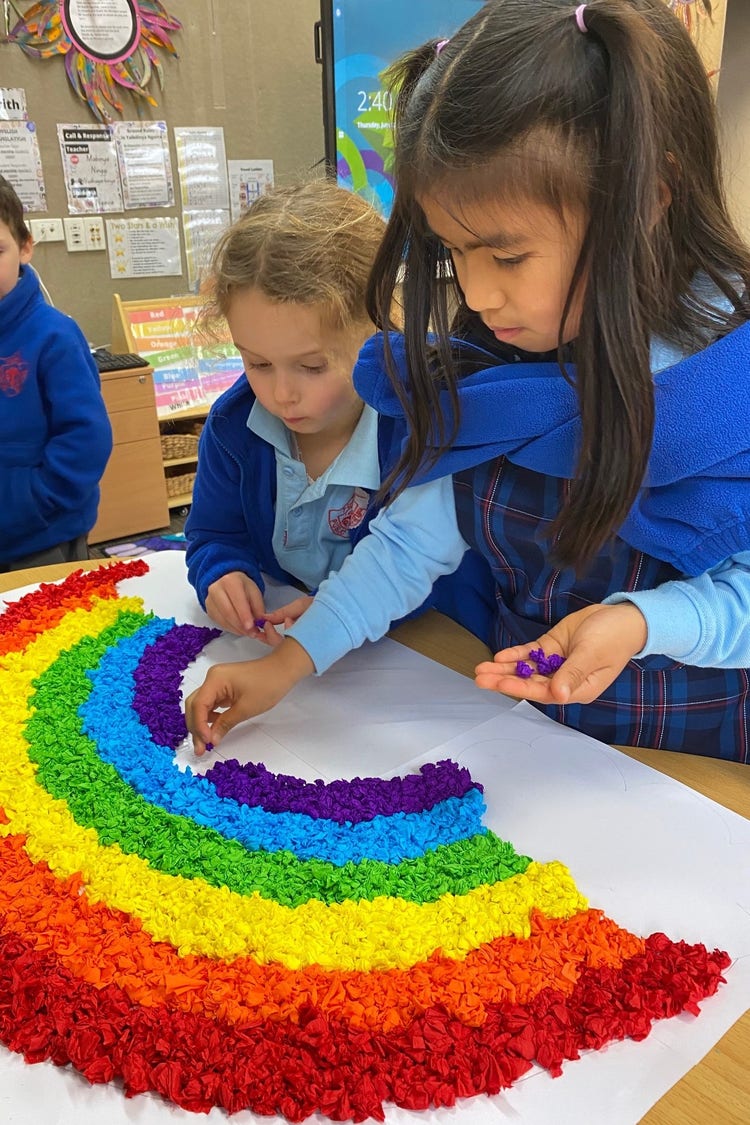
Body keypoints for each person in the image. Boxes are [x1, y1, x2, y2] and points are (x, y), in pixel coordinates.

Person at [186, 0, 750, 762]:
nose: (479, 295)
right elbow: (405, 546)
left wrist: (646, 621)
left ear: (647, 199)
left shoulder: (728, 385)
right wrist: (290, 662)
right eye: (455, 253)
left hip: (698, 770)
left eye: (508, 257)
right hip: (536, 752)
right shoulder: (485, 374)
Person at [185, 181, 494, 655]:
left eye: (311, 366)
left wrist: (337, 614)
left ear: (375, 327)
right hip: (305, 670)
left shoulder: (421, 424)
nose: (281, 394)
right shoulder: (233, 427)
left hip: (425, 656)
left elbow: (432, 566)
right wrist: (221, 572)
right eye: (257, 363)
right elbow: (212, 533)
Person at [0, 175, 112, 572]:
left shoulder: (54, 335)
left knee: (46, 633)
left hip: (40, 539)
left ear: (25, 247)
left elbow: (87, 438)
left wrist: (30, 500)